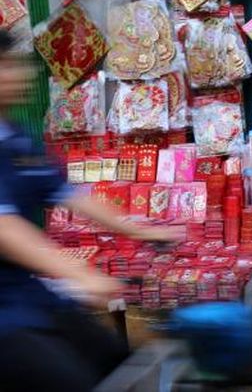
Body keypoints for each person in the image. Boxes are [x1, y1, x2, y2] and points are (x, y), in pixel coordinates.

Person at [0, 31, 177, 391]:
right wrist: (80, 273)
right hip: (6, 318)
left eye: (15, 64)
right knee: (71, 381)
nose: (21, 74)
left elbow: (68, 192)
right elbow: (5, 229)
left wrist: (139, 229)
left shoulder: (14, 137)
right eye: (6, 66)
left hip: (29, 298)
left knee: (116, 359)